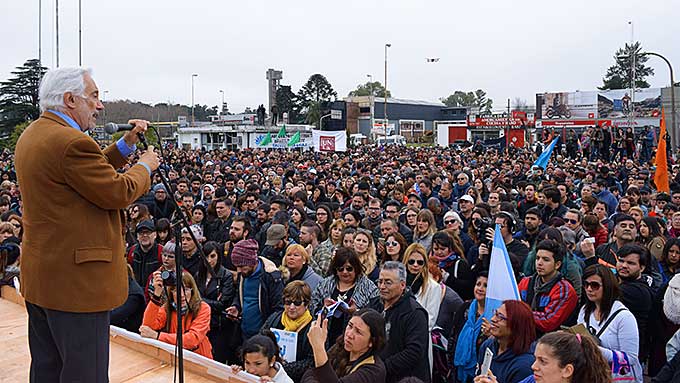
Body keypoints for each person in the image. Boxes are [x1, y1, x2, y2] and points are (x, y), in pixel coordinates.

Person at [15, 67, 159, 382]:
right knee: (86, 374)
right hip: (77, 285)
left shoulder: (36, 134)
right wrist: (146, 167)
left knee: (47, 369)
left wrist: (125, 146)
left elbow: (83, 176)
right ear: (69, 99)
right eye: (93, 96)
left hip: (44, 278)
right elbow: (118, 191)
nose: (100, 105)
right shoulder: (70, 142)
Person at [577, 264, 642, 382]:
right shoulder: (584, 311)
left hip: (617, 378)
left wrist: (594, 349)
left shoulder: (624, 317)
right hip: (593, 375)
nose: (589, 289)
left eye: (595, 285)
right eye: (586, 284)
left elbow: (631, 358)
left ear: (607, 286)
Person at [369, 261, 431, 382]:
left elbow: (414, 352)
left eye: (388, 282)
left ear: (402, 285)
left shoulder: (415, 312)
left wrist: (382, 367)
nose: (382, 286)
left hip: (405, 378)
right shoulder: (374, 305)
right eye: (380, 281)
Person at [473, 331, 611, 383]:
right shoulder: (533, 380)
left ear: (567, 370)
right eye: (536, 358)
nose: (533, 366)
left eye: (543, 362)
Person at [311, 247, 379, 346]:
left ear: (356, 268)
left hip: (354, 341)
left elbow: (375, 314)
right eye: (340, 269)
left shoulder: (369, 287)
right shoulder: (325, 284)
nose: (345, 272)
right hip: (326, 339)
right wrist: (323, 308)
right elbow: (312, 307)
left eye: (349, 268)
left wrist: (356, 312)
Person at [302, 308, 387, 383]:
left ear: (372, 341)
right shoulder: (341, 346)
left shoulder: (374, 371)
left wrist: (318, 347)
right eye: (350, 326)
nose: (349, 334)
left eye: (358, 332)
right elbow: (311, 372)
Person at [141, 270, 213, 359]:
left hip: (199, 359)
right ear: (171, 293)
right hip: (175, 357)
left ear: (192, 291)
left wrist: (158, 336)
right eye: (176, 290)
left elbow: (193, 339)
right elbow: (147, 327)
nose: (182, 295)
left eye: (186, 289)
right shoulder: (167, 308)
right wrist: (156, 295)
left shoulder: (203, 308)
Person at [226, 239, 285, 340]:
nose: (239, 271)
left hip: (262, 336)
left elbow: (278, 309)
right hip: (244, 332)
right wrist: (236, 307)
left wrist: (265, 332)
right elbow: (240, 294)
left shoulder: (271, 276)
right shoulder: (244, 273)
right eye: (237, 267)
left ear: (252, 262)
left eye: (242, 266)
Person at [518, 239, 578, 334]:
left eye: (546, 260)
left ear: (557, 265)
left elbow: (548, 322)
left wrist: (520, 313)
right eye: (537, 258)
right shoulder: (525, 282)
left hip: (549, 341)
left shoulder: (564, 290)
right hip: (522, 333)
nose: (539, 263)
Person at [262, 280, 315, 381]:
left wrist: (282, 368)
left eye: (297, 303)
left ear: (307, 304)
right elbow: (260, 341)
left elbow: (312, 361)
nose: (291, 307)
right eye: (288, 302)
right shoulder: (274, 318)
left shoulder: (314, 327)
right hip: (269, 375)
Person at [195, 241, 237, 364]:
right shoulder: (199, 275)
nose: (209, 260)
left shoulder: (226, 276)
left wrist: (200, 300)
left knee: (217, 360)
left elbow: (222, 305)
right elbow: (192, 299)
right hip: (202, 323)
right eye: (206, 256)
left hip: (218, 326)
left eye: (212, 256)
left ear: (218, 256)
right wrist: (208, 302)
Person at [476, 300, 535, 383]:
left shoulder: (524, 366)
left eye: (501, 317)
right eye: (495, 314)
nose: (493, 319)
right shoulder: (488, 345)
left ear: (516, 325)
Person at [453, 272, 490, 383]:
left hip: (479, 372)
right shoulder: (465, 307)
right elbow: (453, 335)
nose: (480, 288)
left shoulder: (494, 315)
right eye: (478, 284)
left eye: (485, 286)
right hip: (459, 369)